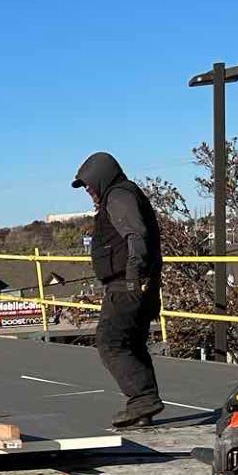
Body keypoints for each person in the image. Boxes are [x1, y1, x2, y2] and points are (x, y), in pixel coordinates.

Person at [72, 151, 164, 426]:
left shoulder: (119, 197)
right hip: (135, 283)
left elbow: (136, 236)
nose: (88, 190)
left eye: (88, 184)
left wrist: (135, 278)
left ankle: (143, 400)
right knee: (131, 343)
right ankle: (143, 405)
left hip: (127, 285)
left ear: (101, 178)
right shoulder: (122, 194)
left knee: (111, 342)